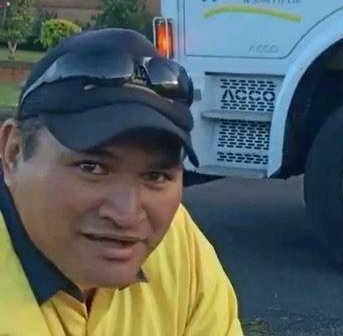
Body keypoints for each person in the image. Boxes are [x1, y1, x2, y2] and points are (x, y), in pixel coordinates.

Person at [0, 28, 243, 335]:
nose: (128, 214)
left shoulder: (176, 243)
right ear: (13, 153)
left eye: (155, 176)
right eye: (93, 167)